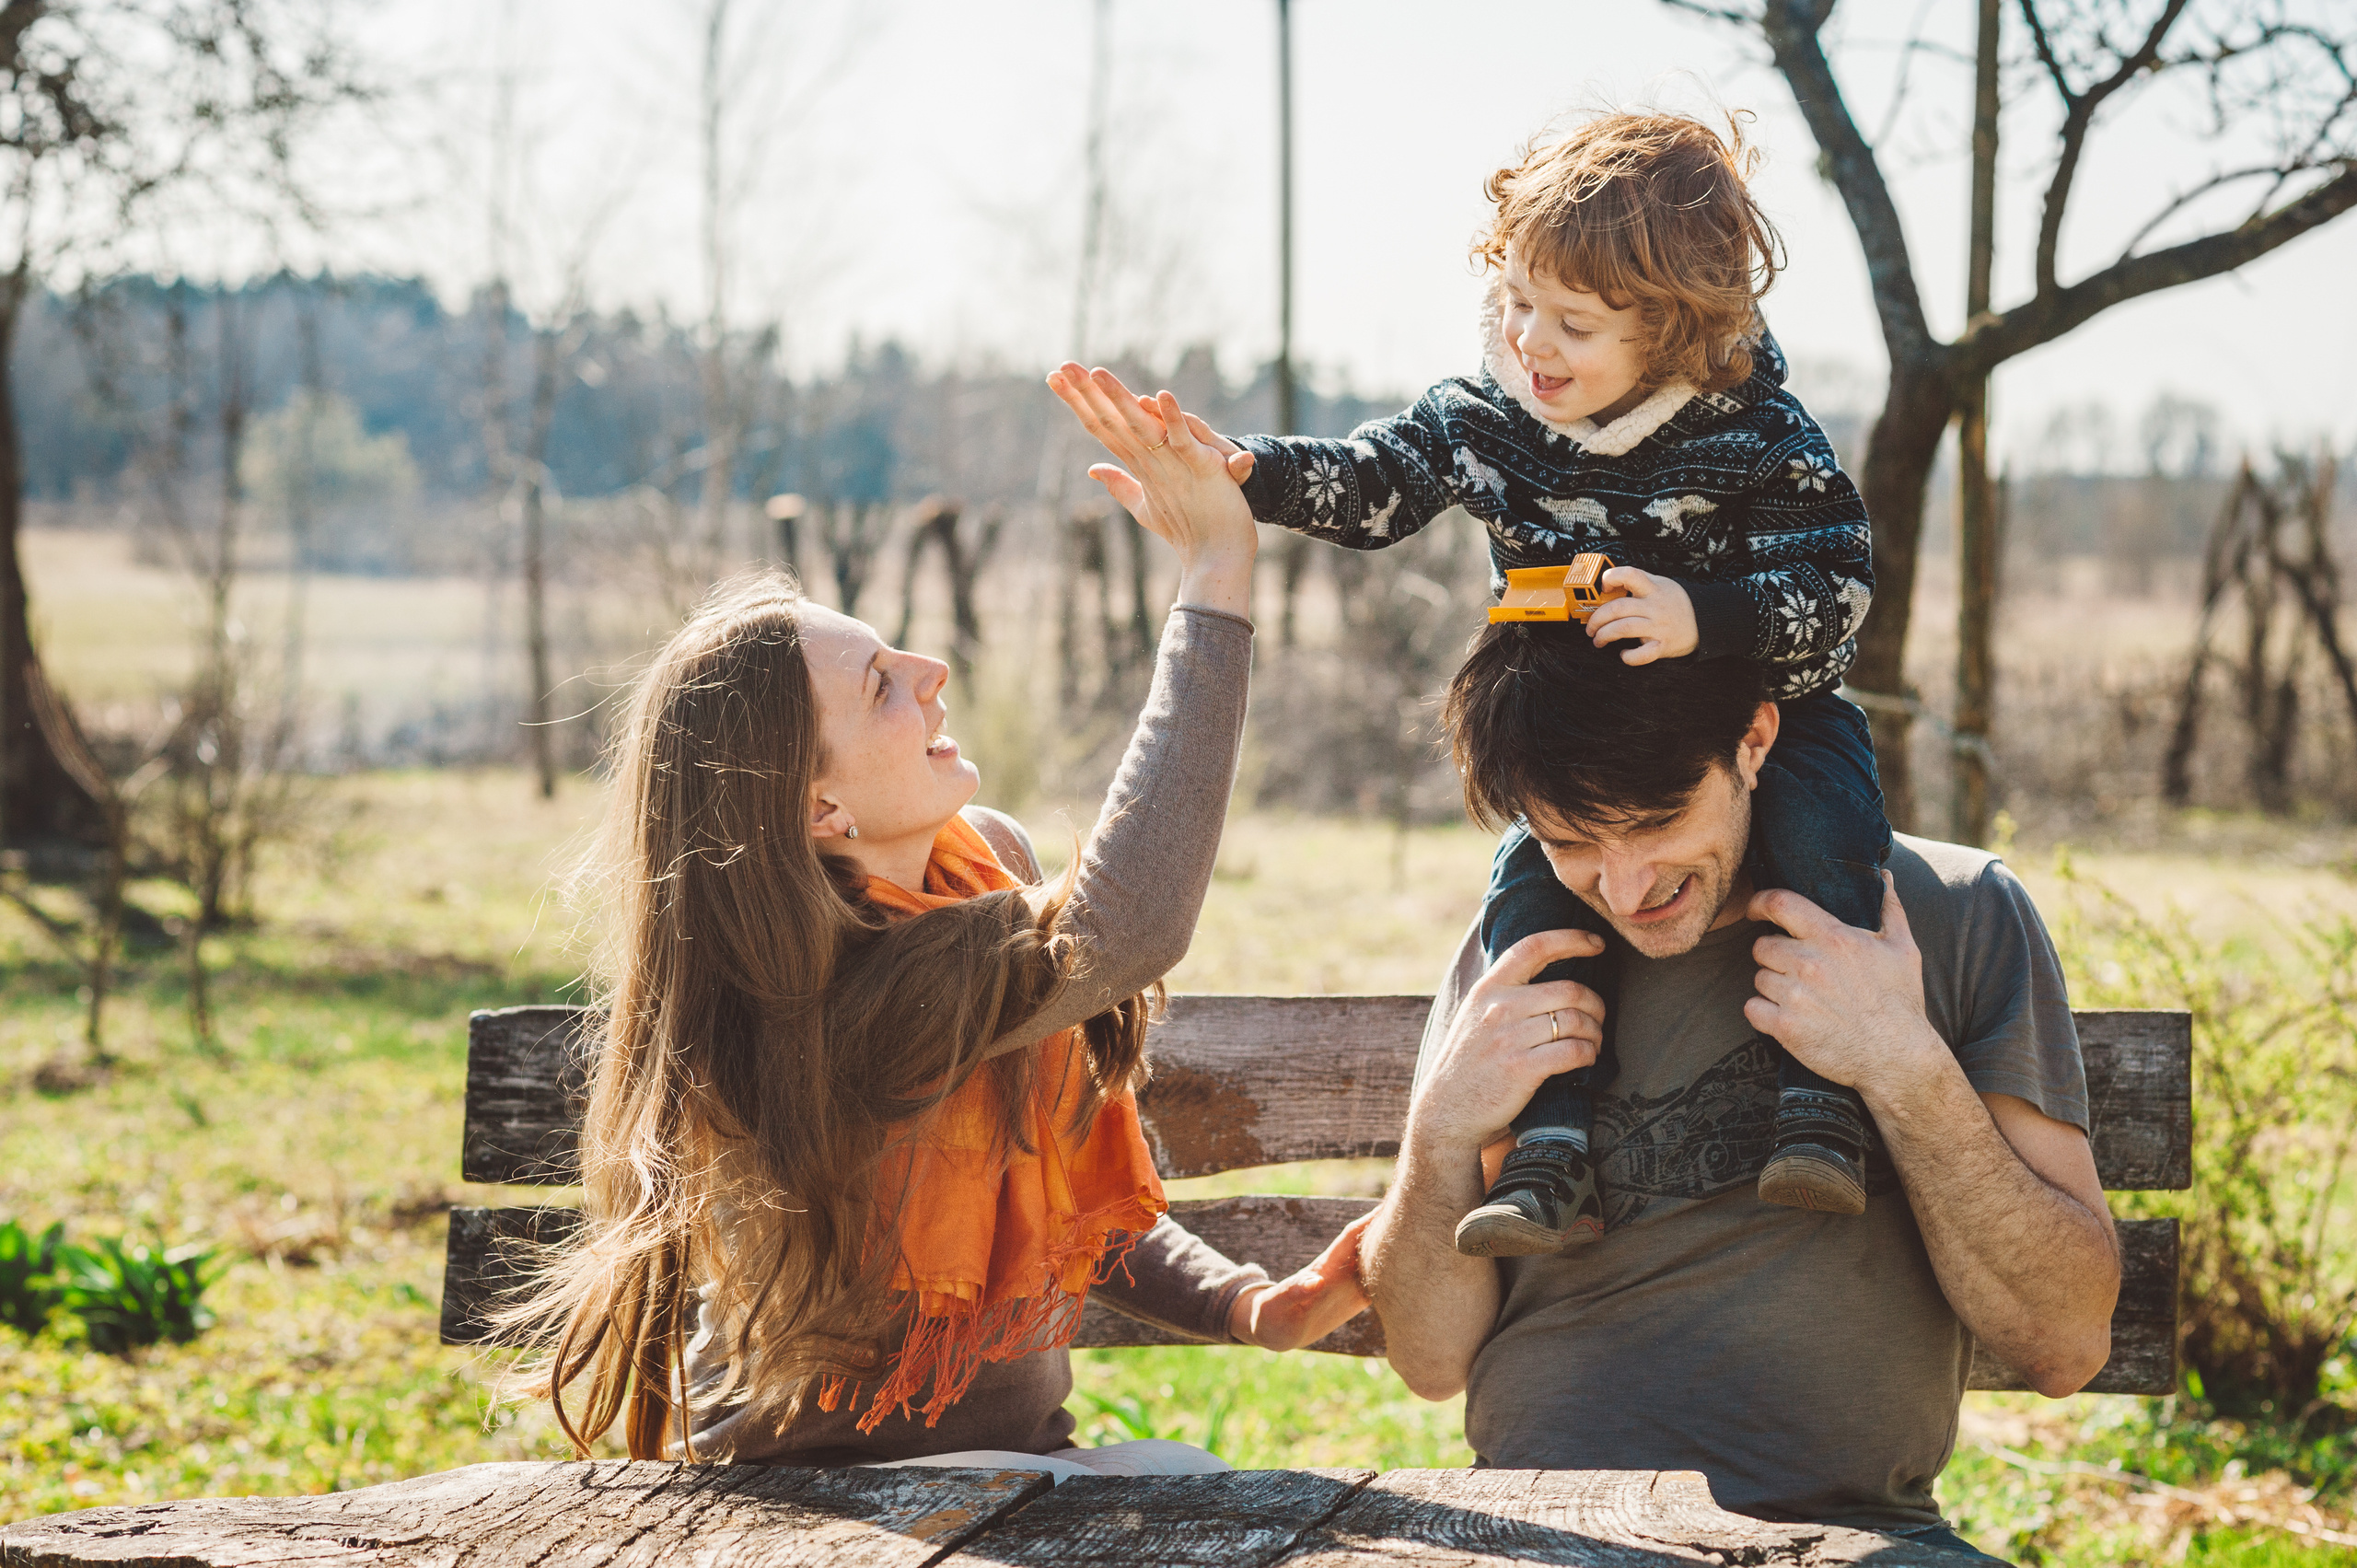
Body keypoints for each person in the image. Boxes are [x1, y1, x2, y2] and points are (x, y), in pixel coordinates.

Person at [504, 369, 1369, 1481]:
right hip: (806, 1503)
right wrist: (1214, 576)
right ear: (820, 809)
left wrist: (1250, 1303)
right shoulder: (814, 995)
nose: (931, 670)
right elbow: (1125, 927)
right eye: (878, 685)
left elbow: (1060, 1190)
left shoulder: (981, 866)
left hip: (1015, 1471)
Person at [1178, 110, 1889, 1252]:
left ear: (1674, 330)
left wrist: (1705, 616)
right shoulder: (1487, 418)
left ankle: (1822, 1104)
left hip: (1755, 714)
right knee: (1528, 897)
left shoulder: (1757, 436)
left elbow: (1839, 589)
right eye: (1515, 303)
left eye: (1575, 324)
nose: (1532, 345)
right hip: (1571, 737)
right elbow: (1376, 485)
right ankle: (1550, 1144)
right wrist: (1245, 471)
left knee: (1824, 835)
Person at [1362, 620, 2119, 1558]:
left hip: (1846, 1539)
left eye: (1656, 820)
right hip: (1534, 1529)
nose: (1625, 885)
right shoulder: (1520, 948)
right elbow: (1428, 1360)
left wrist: (1896, 1057)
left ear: (1752, 739)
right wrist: (1440, 1128)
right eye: (1570, 841)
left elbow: (2064, 1339)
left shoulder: (1953, 912)